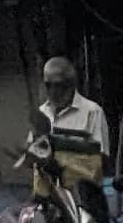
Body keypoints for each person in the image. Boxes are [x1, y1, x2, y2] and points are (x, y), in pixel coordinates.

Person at [31, 53, 111, 187]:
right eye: (48, 85)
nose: (53, 91)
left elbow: (101, 160)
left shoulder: (92, 112)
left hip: (84, 193)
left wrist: (64, 162)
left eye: (58, 86)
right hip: (48, 194)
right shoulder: (41, 113)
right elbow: (33, 156)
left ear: (70, 85)